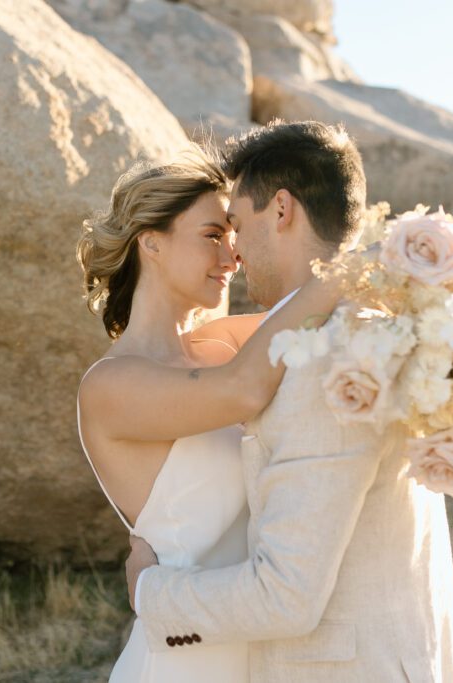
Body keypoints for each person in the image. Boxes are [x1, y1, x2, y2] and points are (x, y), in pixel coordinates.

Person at [124, 121, 453, 682]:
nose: (233, 251)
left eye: (236, 223)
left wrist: (150, 590)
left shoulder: (323, 358)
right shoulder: (379, 331)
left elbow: (285, 596)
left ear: (281, 209)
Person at [75, 144, 342, 682]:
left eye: (233, 235)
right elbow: (244, 391)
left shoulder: (221, 344)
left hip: (258, 643)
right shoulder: (109, 386)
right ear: (150, 241)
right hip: (183, 658)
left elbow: (336, 317)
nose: (232, 256)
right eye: (212, 236)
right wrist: (350, 267)